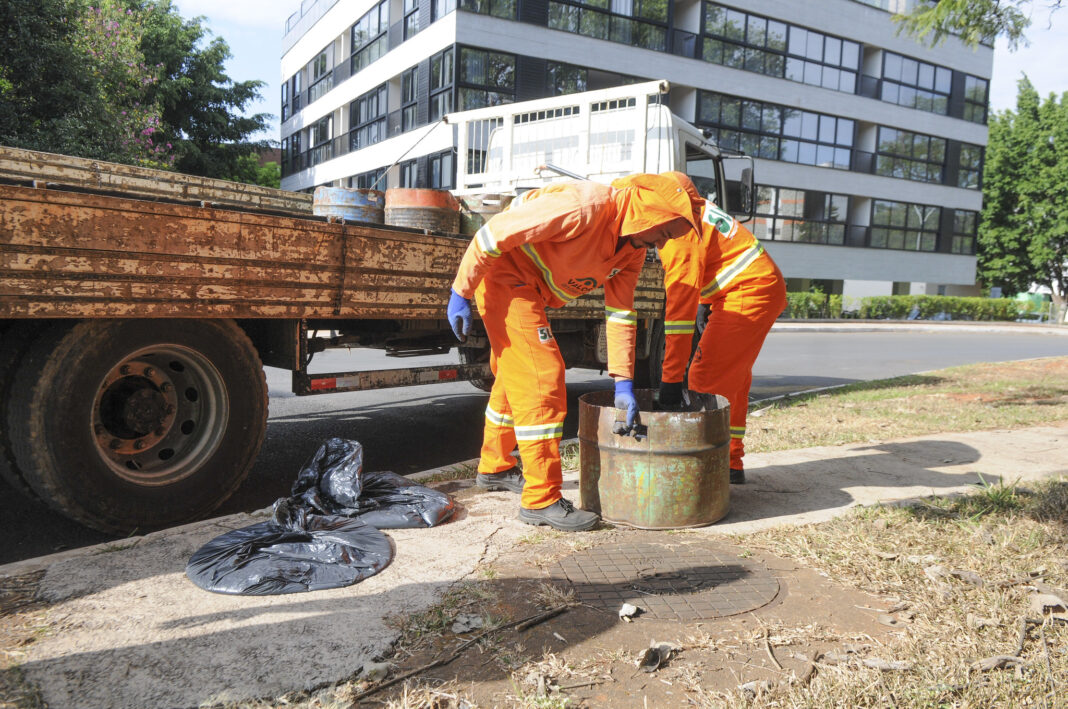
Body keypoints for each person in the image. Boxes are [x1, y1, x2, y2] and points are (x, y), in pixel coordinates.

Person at [446, 177, 699, 531]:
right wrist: (462, 290)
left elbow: (621, 315)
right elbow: (494, 233)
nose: (661, 243)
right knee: (542, 375)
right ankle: (541, 499)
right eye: (663, 232)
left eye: (668, 238)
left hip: (530, 289)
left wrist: (623, 384)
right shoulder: (584, 206)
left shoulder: (632, 251)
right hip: (505, 276)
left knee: (513, 377)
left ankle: (495, 466)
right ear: (649, 211)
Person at [616, 172, 785, 485]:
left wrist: (670, 381)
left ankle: (704, 468)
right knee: (731, 383)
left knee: (704, 380)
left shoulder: (675, 233)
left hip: (748, 290)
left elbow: (678, 319)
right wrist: (708, 302)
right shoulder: (683, 207)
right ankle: (729, 463)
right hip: (749, 287)